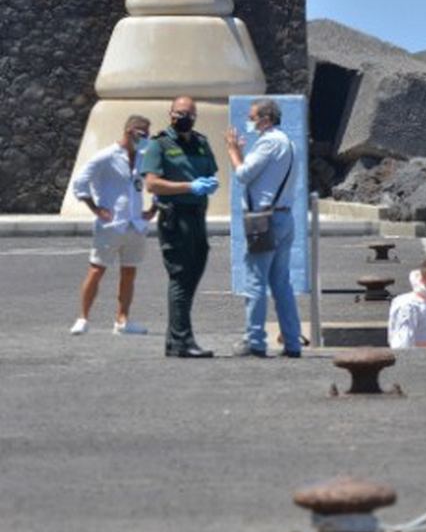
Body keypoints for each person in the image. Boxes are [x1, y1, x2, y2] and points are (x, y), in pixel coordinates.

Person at [142, 96, 220, 358]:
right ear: (170, 113)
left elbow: (210, 171)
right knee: (180, 277)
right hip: (175, 216)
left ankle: (174, 340)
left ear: (195, 116)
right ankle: (182, 341)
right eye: (179, 113)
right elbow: (152, 184)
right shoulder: (159, 145)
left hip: (198, 215)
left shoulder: (200, 142)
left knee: (192, 274)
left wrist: (209, 183)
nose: (183, 117)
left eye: (188, 113)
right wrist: (189, 187)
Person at [225, 98, 303, 358]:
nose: (250, 121)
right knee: (281, 283)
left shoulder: (269, 142)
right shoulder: (289, 143)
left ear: (266, 119)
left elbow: (244, 174)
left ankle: (255, 340)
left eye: (253, 116)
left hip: (264, 219)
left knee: (255, 280)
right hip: (284, 217)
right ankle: (292, 342)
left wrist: (234, 152)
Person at [69, 115, 157, 336]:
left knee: (129, 273)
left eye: (148, 133)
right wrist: (95, 208)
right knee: (97, 269)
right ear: (129, 131)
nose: (146, 137)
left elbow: (154, 182)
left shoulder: (144, 157)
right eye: (142, 133)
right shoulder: (107, 156)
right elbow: (81, 181)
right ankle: (83, 318)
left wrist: (153, 209)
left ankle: (122, 320)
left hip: (135, 225)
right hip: (111, 225)